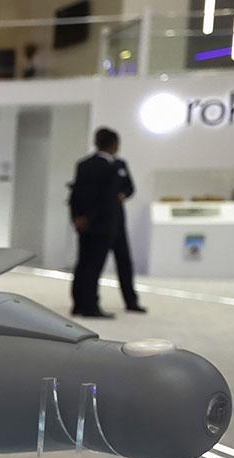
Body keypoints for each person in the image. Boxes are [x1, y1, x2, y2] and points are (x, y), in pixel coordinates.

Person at [67, 127, 144, 318]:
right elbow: (97, 197)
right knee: (91, 264)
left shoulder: (115, 165)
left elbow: (129, 188)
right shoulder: (100, 167)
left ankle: (83, 303)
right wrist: (85, 218)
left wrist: (77, 217)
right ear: (115, 145)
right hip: (101, 222)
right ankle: (88, 305)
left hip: (109, 221)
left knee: (96, 263)